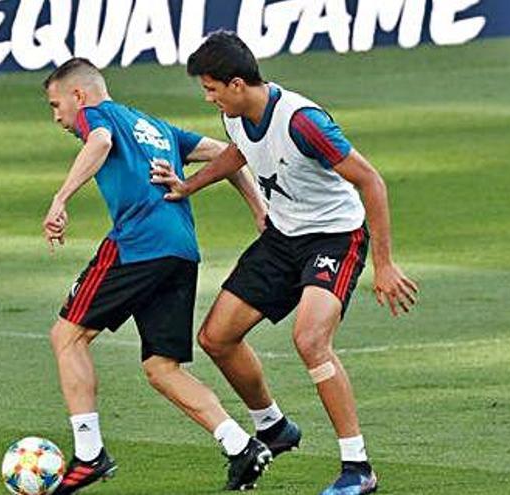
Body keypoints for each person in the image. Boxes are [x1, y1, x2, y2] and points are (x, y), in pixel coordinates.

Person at [150, 31, 419, 495]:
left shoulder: (303, 121)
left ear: (237, 84)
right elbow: (239, 152)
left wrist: (385, 263)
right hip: (282, 238)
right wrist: (189, 184)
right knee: (216, 337)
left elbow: (371, 181)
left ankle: (358, 467)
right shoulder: (234, 115)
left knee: (311, 339)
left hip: (335, 238)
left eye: (211, 87)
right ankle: (272, 426)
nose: (207, 96)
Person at [41, 58, 272, 493]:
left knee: (67, 335)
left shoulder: (100, 115)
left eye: (57, 105)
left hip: (137, 245)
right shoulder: (154, 125)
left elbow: (101, 142)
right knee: (161, 367)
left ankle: (89, 454)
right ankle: (241, 446)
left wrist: (60, 199)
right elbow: (229, 157)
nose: (58, 118)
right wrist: (259, 209)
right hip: (181, 250)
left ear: (78, 95)